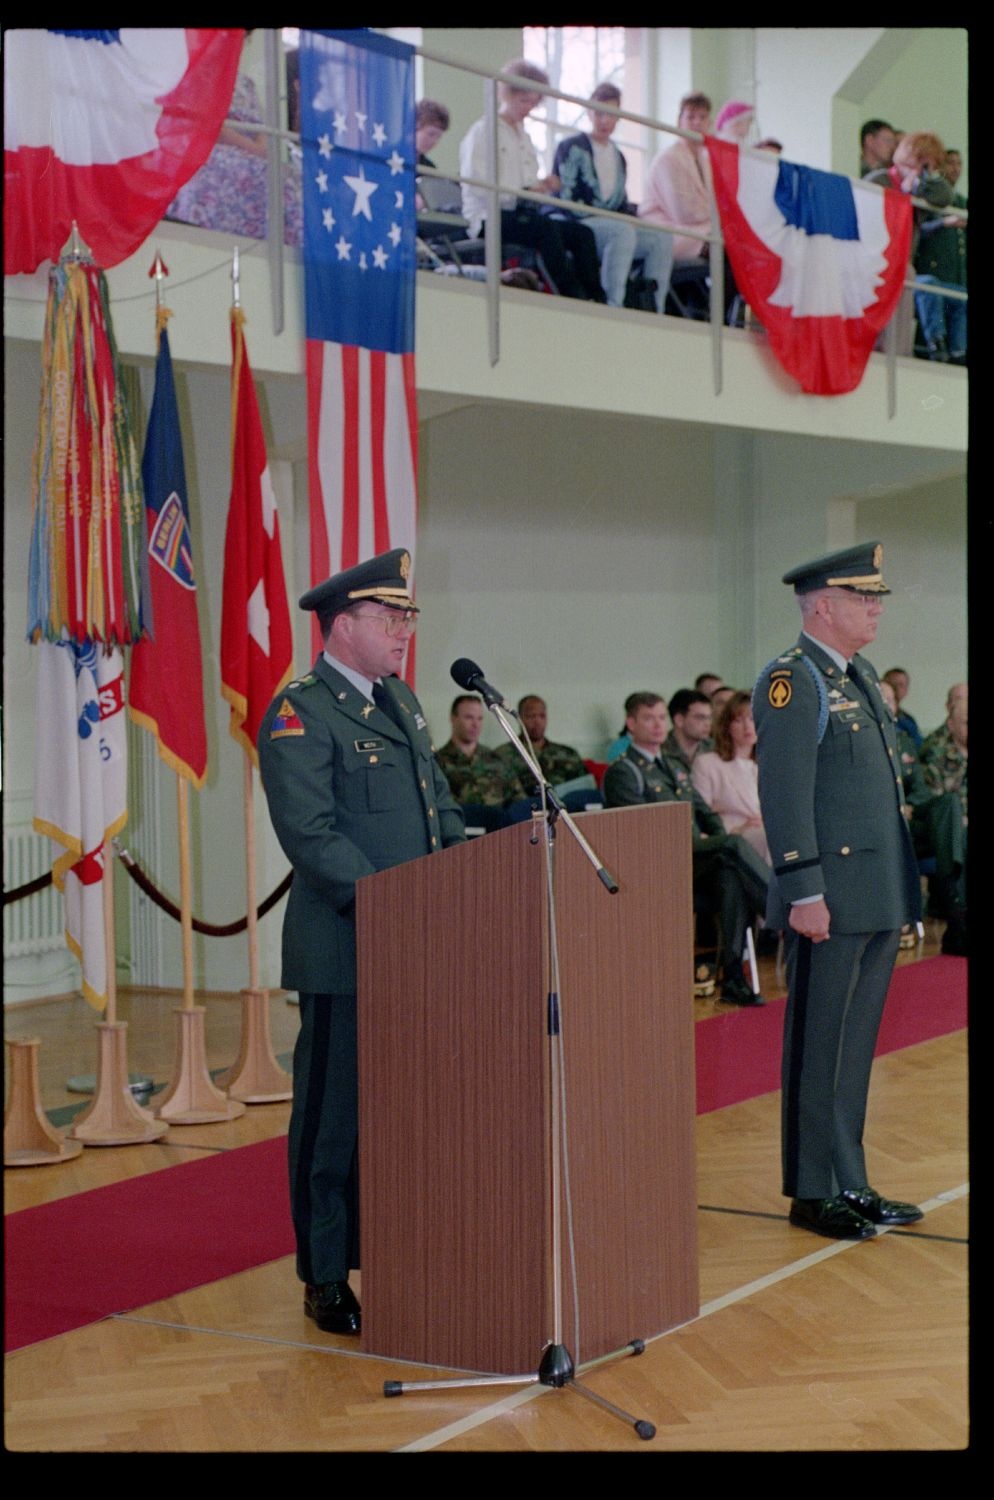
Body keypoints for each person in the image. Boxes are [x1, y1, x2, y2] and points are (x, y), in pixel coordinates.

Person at [257, 549, 465, 1335]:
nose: (405, 631)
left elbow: (436, 803)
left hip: (419, 945)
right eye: (390, 618)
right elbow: (310, 835)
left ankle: (397, 1246)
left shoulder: (402, 703)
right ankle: (325, 1273)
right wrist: (397, 903)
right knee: (333, 1119)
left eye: (407, 617)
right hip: (346, 949)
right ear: (341, 627)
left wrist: (455, 879)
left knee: (404, 1113)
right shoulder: (300, 711)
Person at [753, 541, 924, 1241]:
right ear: (824, 606)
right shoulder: (793, 681)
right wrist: (803, 889)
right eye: (864, 597)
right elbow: (785, 794)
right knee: (818, 1044)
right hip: (829, 896)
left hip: (874, 891)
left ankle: (850, 1178)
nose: (876, 607)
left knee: (855, 1046)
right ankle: (812, 1189)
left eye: (877, 596)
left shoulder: (857, 676)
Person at [603, 692, 769, 1006]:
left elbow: (704, 811)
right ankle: (778, 910)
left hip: (694, 858)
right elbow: (637, 832)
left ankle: (733, 979)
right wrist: (716, 841)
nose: (657, 725)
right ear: (630, 724)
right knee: (733, 846)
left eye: (661, 718)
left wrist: (714, 836)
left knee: (731, 874)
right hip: (658, 863)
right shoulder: (624, 772)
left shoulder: (674, 766)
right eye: (648, 718)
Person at [459, 59, 605, 301]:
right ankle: (571, 294)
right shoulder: (483, 131)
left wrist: (543, 188)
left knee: (582, 234)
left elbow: (527, 185)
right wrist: (523, 192)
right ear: (507, 95)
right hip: (490, 215)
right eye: (523, 100)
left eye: (533, 103)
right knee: (545, 229)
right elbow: (478, 184)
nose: (528, 108)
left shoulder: (524, 137)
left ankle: (597, 297)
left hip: (522, 214)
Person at [552, 81, 673, 312]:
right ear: (589, 113)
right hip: (578, 222)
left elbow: (620, 203)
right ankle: (613, 306)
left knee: (661, 238)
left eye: (611, 114)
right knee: (622, 231)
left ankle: (655, 308)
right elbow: (565, 197)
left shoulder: (619, 156)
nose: (605, 121)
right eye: (599, 113)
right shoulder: (571, 147)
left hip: (611, 225)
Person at [639, 90, 740, 320]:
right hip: (670, 233)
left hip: (699, 231)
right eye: (691, 117)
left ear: (710, 123)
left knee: (740, 248)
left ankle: (724, 314)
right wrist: (718, 219)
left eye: (702, 118)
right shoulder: (669, 159)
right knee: (727, 252)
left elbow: (717, 204)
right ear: (679, 121)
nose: (697, 123)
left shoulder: (705, 159)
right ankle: (720, 318)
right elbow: (684, 211)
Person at [865, 131, 953, 356]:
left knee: (907, 276)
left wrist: (920, 184)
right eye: (922, 161)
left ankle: (899, 353)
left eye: (930, 165)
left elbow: (945, 196)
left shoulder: (922, 188)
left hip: (902, 263)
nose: (924, 168)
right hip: (873, 258)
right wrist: (902, 193)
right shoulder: (880, 179)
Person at [918, 683, 968, 955]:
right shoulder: (934, 750)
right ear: (951, 723)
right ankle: (958, 918)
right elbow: (935, 805)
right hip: (939, 832)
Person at [692, 690, 770, 863]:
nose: (748, 727)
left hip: (767, 831)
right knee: (770, 840)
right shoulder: (708, 763)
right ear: (727, 725)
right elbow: (701, 815)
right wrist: (738, 829)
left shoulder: (767, 765)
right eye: (739, 720)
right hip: (732, 837)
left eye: (752, 719)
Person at [914, 147, 967, 363]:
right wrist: (943, 223)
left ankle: (959, 352)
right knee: (932, 290)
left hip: (955, 277)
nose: (955, 168)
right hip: (930, 273)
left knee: (962, 298)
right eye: (950, 162)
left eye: (959, 163)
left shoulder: (962, 203)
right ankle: (937, 345)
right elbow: (918, 228)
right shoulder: (929, 196)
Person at [435, 694, 530, 811]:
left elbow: (519, 799)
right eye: (469, 717)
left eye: (479, 718)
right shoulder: (437, 761)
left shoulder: (496, 759)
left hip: (498, 827)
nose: (475, 724)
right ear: (453, 718)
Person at [494, 694, 587, 794]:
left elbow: (584, 791)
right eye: (531, 716)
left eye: (542, 716)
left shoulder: (568, 754)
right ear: (520, 718)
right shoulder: (502, 755)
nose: (537, 721)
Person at [663, 688, 714, 772]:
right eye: (700, 717)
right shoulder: (660, 751)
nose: (708, 724)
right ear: (679, 720)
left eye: (709, 718)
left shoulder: (715, 749)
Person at [882, 666, 923, 750]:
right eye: (894, 684)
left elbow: (919, 746)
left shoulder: (908, 720)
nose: (897, 688)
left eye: (902, 685)